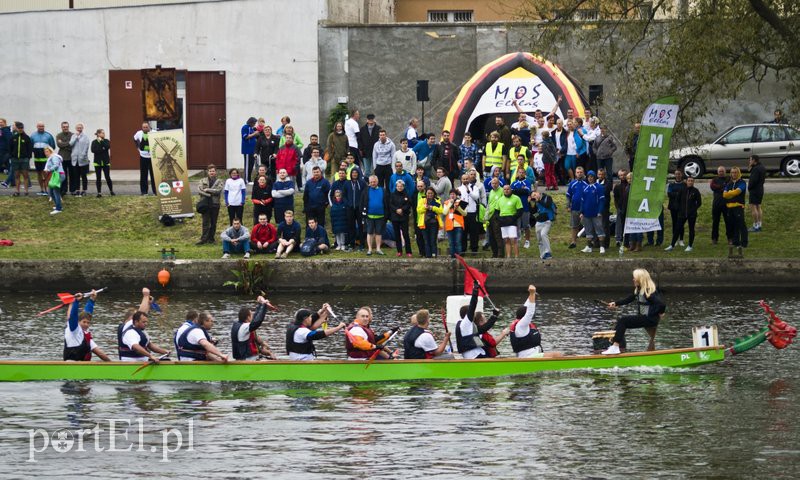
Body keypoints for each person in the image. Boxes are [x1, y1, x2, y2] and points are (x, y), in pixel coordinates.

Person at [602, 269, 666, 354]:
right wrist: (616, 303)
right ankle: (616, 346)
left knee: (623, 321)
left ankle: (615, 346)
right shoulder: (639, 289)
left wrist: (661, 313)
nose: (633, 279)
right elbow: (629, 299)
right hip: (645, 318)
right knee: (622, 322)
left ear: (641, 279)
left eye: (634, 278)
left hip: (650, 319)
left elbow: (662, 304)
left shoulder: (647, 291)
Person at [63, 289, 111, 362]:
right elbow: (73, 316)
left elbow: (87, 313)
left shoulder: (85, 335)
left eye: (88, 323)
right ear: (78, 321)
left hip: (82, 365)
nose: (86, 325)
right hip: (71, 365)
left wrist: (92, 299)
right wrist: (76, 302)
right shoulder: (73, 329)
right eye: (84, 322)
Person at [456, 284, 500, 359]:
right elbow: (473, 305)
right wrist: (475, 290)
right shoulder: (465, 323)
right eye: (473, 313)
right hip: (475, 356)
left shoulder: (468, 327)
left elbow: (484, 328)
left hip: (475, 354)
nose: (475, 315)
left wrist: (494, 316)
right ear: (468, 315)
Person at [231, 296, 276, 360]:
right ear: (248, 318)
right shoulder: (244, 327)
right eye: (251, 315)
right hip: (247, 360)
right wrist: (264, 305)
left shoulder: (238, 325)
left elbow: (255, 319)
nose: (253, 317)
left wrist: (260, 305)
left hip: (247, 358)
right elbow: (257, 322)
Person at [666, 176, 701, 252]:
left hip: (692, 214)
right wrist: (679, 209)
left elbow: (699, 203)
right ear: (686, 181)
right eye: (689, 181)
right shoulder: (682, 190)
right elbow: (677, 200)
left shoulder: (696, 191)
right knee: (677, 229)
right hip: (682, 214)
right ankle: (672, 245)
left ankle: (690, 246)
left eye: (692, 181)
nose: (690, 182)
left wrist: (693, 209)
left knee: (691, 229)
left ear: (693, 182)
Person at [360, 175, 389, 256]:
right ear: (369, 182)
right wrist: (362, 213)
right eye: (371, 182)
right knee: (369, 233)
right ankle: (369, 249)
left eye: (374, 182)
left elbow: (386, 203)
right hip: (369, 216)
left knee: (379, 233)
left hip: (381, 216)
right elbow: (362, 203)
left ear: (377, 181)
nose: (373, 183)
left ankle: (378, 249)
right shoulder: (366, 191)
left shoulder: (383, 190)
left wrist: (387, 215)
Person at [578, 170, 606, 254]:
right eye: (589, 177)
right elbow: (582, 201)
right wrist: (581, 212)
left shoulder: (599, 187)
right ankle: (589, 247)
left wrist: (600, 211)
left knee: (599, 229)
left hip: (596, 213)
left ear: (594, 177)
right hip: (586, 213)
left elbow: (602, 200)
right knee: (588, 230)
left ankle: (602, 247)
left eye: (592, 177)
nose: (590, 178)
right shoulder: (585, 188)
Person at [196, 164, 224, 245]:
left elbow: (218, 191)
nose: (212, 172)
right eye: (210, 171)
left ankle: (211, 239)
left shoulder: (220, 181)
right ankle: (203, 239)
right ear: (208, 172)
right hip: (205, 204)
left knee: (213, 222)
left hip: (215, 204)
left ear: (216, 172)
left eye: (213, 171)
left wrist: (207, 189)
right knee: (205, 222)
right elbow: (199, 190)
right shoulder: (202, 180)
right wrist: (209, 194)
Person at [723, 166, 748, 258]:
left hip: (738, 206)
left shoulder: (742, 182)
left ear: (738, 173)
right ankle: (736, 242)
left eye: (735, 172)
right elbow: (724, 195)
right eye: (732, 172)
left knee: (741, 225)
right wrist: (730, 193)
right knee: (734, 226)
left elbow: (737, 192)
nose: (734, 174)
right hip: (729, 207)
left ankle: (744, 243)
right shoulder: (729, 183)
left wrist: (730, 193)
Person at [494, 184, 524, 258]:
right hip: (503, 221)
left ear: (511, 190)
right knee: (506, 240)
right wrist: (500, 219)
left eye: (508, 189)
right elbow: (496, 212)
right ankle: (508, 256)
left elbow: (520, 211)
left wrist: (513, 218)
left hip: (512, 221)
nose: (506, 191)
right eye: (505, 189)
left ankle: (516, 256)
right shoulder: (500, 199)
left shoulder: (516, 198)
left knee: (513, 239)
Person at [389, 179, 413, 257]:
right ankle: (399, 251)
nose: (399, 187)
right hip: (395, 217)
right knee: (397, 235)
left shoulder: (406, 195)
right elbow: (390, 204)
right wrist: (396, 210)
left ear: (403, 187)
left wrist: (402, 209)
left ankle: (408, 251)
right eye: (398, 186)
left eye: (401, 186)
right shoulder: (392, 195)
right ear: (396, 187)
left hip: (404, 217)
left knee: (405, 234)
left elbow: (408, 204)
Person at [417, 187, 443, 258]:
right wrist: (425, 207)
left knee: (433, 240)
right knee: (426, 241)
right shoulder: (422, 200)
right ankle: (428, 255)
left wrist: (432, 208)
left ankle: (434, 254)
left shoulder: (437, 200)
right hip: (424, 223)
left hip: (434, 223)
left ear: (434, 193)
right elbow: (418, 210)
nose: (430, 195)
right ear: (426, 193)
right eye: (428, 193)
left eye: (431, 193)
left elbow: (441, 210)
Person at [30, 122, 55, 196]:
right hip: (37, 159)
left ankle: (47, 190)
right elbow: (31, 146)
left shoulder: (48, 135)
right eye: (40, 126)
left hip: (46, 160)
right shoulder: (33, 136)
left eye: (42, 126)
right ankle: (42, 189)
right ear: (37, 126)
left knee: (46, 175)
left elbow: (52, 146)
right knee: (39, 174)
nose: (41, 127)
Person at [530, 189, 556, 260]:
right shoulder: (536, 201)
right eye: (533, 196)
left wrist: (538, 201)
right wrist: (531, 204)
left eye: (535, 195)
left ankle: (548, 252)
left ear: (538, 193)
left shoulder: (547, 197)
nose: (534, 197)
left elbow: (547, 205)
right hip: (539, 222)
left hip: (547, 220)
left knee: (543, 234)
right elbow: (534, 213)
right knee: (539, 239)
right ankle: (542, 255)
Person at [511, 167, 533, 249]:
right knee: (516, 225)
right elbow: (511, 192)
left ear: (525, 174)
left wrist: (517, 191)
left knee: (526, 225)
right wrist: (520, 190)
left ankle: (527, 241)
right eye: (519, 172)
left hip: (525, 207)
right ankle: (517, 240)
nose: (521, 174)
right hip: (516, 208)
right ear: (517, 173)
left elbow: (527, 191)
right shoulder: (514, 183)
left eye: (523, 172)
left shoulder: (527, 182)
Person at [566, 166, 587, 249]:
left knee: (588, 226)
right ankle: (573, 242)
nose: (579, 174)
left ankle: (590, 242)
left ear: (583, 173)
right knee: (574, 226)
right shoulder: (572, 183)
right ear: (575, 173)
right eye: (577, 172)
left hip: (585, 209)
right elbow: (568, 195)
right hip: (574, 207)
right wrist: (568, 206)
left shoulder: (587, 183)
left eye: (581, 172)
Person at [666, 169, 686, 248]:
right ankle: (675, 239)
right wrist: (678, 194)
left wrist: (676, 194)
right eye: (676, 174)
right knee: (674, 223)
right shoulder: (671, 185)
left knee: (681, 224)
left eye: (679, 174)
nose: (677, 175)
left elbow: (684, 195)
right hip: (673, 207)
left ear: (681, 175)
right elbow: (669, 194)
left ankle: (681, 239)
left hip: (681, 207)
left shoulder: (684, 185)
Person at [133, 122, 156, 195]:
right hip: (143, 157)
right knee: (143, 175)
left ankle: (155, 192)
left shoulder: (154, 132)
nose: (145, 128)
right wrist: (138, 148)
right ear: (142, 127)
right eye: (144, 127)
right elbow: (134, 139)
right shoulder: (139, 133)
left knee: (154, 175)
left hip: (153, 157)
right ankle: (144, 192)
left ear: (149, 127)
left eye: (146, 127)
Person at [709, 166, 729, 245]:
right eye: (720, 171)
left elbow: (728, 187)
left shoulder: (728, 179)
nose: (721, 173)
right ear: (717, 172)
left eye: (722, 171)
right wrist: (722, 187)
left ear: (725, 171)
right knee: (715, 222)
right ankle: (714, 238)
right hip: (716, 204)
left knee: (728, 222)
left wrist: (720, 188)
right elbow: (712, 186)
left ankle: (730, 238)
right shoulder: (714, 179)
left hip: (727, 204)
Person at [442, 190, 466, 257]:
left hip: (458, 225)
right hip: (449, 225)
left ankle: (459, 257)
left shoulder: (460, 202)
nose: (452, 195)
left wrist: (458, 208)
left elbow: (465, 213)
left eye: (454, 194)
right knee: (451, 243)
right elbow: (444, 212)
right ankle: (453, 257)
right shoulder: (446, 202)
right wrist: (450, 204)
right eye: (451, 194)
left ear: (456, 195)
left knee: (458, 242)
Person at [69, 123, 91, 196]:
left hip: (83, 159)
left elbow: (86, 146)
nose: (79, 129)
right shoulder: (73, 136)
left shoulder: (85, 137)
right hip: (75, 159)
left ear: (82, 128)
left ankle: (84, 190)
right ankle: (77, 189)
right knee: (76, 175)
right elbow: (71, 144)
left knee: (83, 176)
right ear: (76, 128)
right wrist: (76, 137)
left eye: (80, 128)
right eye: (78, 128)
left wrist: (83, 154)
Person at [43, 146, 65, 215]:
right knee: (51, 192)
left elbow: (56, 165)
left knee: (55, 192)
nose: (45, 153)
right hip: (55, 175)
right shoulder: (51, 157)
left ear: (51, 151)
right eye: (45, 152)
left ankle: (58, 208)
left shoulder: (54, 157)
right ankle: (58, 206)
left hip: (59, 175)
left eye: (47, 151)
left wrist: (48, 170)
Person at [485, 177, 504, 258]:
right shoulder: (491, 192)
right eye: (493, 183)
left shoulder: (502, 190)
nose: (494, 185)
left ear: (499, 183)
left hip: (497, 215)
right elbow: (489, 204)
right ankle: (494, 253)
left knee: (498, 236)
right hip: (490, 216)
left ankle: (500, 254)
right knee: (491, 236)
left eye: (496, 183)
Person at [91, 128, 113, 196]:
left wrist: (101, 142)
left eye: (104, 133)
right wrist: (102, 149)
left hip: (106, 162)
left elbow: (107, 146)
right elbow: (93, 150)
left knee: (107, 177)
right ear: (98, 134)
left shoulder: (106, 141)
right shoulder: (94, 142)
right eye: (102, 133)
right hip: (97, 162)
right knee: (98, 178)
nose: (104, 134)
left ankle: (111, 190)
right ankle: (99, 192)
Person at [748, 154, 766, 232]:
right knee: (758, 206)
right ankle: (759, 225)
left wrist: (749, 187)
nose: (749, 161)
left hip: (754, 190)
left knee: (753, 207)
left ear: (754, 160)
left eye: (750, 160)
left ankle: (755, 226)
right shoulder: (762, 167)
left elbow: (753, 180)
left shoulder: (755, 169)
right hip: (760, 189)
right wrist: (750, 166)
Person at [55, 121, 73, 196]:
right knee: (63, 175)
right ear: (61, 127)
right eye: (64, 127)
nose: (65, 128)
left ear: (68, 127)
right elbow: (59, 145)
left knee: (72, 174)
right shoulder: (58, 135)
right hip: (62, 158)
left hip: (71, 157)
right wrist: (68, 143)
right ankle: (63, 190)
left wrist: (64, 143)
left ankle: (73, 190)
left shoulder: (72, 135)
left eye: (67, 127)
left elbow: (73, 145)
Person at [241, 117, 259, 184]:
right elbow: (245, 137)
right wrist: (255, 133)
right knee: (247, 165)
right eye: (254, 123)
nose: (254, 124)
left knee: (251, 165)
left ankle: (249, 179)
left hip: (252, 150)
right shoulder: (245, 127)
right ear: (250, 122)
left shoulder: (251, 128)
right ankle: (246, 180)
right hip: (247, 150)